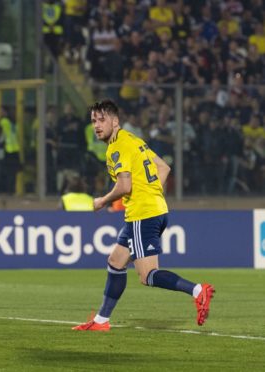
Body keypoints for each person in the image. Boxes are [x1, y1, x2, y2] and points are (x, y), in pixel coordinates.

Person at [72, 99, 215, 332]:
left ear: (115, 121)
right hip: (154, 209)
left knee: (147, 275)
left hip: (143, 213)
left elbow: (125, 186)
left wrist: (102, 201)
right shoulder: (133, 140)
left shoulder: (116, 147)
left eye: (102, 120)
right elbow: (164, 168)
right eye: (93, 121)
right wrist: (151, 193)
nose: (96, 125)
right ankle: (101, 320)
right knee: (116, 261)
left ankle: (198, 290)